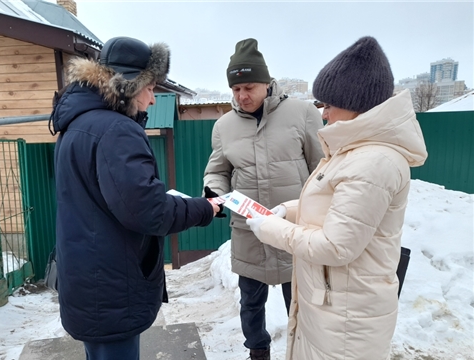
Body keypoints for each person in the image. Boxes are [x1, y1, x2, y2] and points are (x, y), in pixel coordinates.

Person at [246, 36, 428, 359]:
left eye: (329, 105)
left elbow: (337, 245)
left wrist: (273, 230)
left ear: (355, 102)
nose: (325, 115)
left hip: (348, 323)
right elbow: (337, 209)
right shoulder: (354, 152)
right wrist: (289, 210)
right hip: (334, 308)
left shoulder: (374, 162)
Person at [50, 36, 220, 360]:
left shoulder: (77, 125)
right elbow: (147, 210)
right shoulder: (116, 130)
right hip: (111, 289)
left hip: (90, 283)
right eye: (151, 88)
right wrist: (203, 209)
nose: (153, 99)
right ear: (131, 84)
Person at [203, 38, 324, 360]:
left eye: (250, 87)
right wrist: (214, 191)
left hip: (295, 230)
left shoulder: (303, 113)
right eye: (236, 89)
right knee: (250, 303)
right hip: (248, 230)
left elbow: (322, 168)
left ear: (268, 84)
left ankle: (303, 352)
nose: (242, 96)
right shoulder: (224, 126)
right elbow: (217, 171)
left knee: (300, 300)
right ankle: (258, 352)